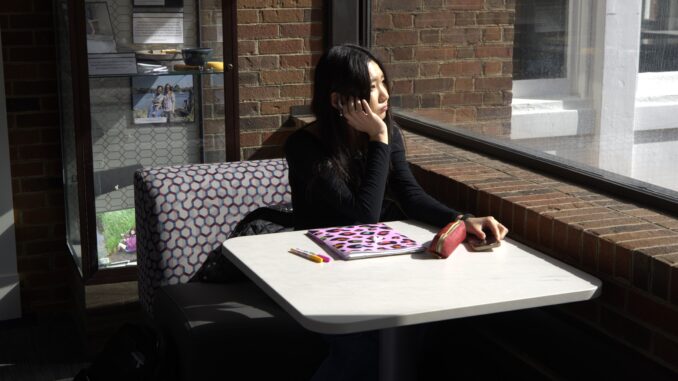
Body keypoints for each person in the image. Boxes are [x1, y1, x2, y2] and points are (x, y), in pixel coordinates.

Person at [284, 44, 508, 380]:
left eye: (383, 81)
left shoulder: (389, 132)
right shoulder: (304, 147)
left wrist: (461, 218)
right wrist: (378, 138)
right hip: (322, 275)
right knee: (362, 347)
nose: (385, 94)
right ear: (337, 101)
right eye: (372, 87)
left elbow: (410, 193)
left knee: (421, 327)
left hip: (373, 269)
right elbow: (362, 219)